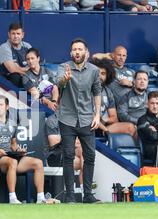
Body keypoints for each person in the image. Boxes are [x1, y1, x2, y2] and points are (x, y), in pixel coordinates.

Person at [0, 95, 56, 204]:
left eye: (1, 105)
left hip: (11, 155)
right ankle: (13, 198)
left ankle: (40, 198)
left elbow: (13, 144)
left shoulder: (12, 124)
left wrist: (18, 150)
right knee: (12, 162)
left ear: (7, 107)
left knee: (38, 163)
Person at [57, 38, 101, 204]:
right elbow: (58, 82)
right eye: (74, 49)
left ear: (86, 52)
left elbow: (97, 92)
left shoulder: (94, 70)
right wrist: (65, 80)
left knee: (90, 156)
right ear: (71, 53)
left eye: (80, 49)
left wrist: (97, 115)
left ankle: (88, 195)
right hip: (67, 118)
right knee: (68, 156)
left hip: (87, 118)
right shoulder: (64, 67)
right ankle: (69, 196)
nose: (77, 52)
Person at [92, 58, 137, 137]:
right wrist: (105, 130)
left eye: (103, 73)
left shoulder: (107, 92)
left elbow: (114, 118)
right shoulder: (84, 89)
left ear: (107, 76)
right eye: (97, 73)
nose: (99, 76)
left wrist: (104, 119)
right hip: (86, 127)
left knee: (131, 128)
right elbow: (88, 115)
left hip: (102, 126)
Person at [0, 22, 32, 88]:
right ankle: (15, 97)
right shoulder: (4, 47)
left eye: (18, 33)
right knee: (15, 76)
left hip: (22, 78)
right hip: (5, 81)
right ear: (9, 35)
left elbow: (34, 65)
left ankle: (28, 97)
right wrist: (27, 71)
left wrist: (19, 68)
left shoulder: (27, 46)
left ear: (22, 35)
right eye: (13, 33)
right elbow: (12, 69)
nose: (16, 36)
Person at [22, 48, 59, 113]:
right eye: (28, 59)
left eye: (32, 58)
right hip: (39, 105)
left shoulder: (47, 71)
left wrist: (53, 102)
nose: (30, 61)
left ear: (38, 58)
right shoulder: (25, 77)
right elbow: (36, 94)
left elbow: (54, 88)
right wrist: (48, 103)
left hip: (53, 102)